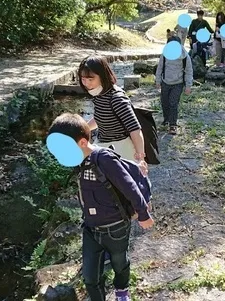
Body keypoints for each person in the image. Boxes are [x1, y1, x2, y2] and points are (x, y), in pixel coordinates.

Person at [48, 113, 154, 301]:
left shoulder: (104, 158)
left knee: (119, 262)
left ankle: (122, 292)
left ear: (81, 142)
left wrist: (143, 214)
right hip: (90, 228)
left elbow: (129, 186)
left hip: (116, 227)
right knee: (90, 278)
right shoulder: (78, 162)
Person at [77, 56, 148, 174]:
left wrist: (141, 159)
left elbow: (135, 129)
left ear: (103, 75)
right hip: (103, 145)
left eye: (90, 79)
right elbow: (100, 117)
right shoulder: (98, 93)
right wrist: (82, 129)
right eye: (83, 79)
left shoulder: (117, 98)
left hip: (121, 149)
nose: (86, 84)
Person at [155, 36, 193, 135]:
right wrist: (158, 81)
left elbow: (189, 71)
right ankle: (166, 119)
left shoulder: (185, 56)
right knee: (165, 102)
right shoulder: (164, 55)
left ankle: (173, 125)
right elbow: (159, 68)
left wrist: (188, 85)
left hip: (178, 83)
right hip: (165, 82)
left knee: (173, 103)